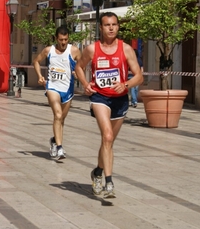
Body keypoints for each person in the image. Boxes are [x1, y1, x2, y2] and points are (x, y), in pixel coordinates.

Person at [75, 12, 143, 198]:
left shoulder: (126, 49)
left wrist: (126, 84)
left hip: (120, 99)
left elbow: (139, 76)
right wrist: (85, 84)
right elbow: (79, 67)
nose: (111, 28)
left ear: (118, 27)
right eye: (107, 25)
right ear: (101, 27)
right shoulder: (92, 49)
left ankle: (97, 171)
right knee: (107, 134)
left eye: (114, 24)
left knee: (109, 141)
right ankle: (109, 181)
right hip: (100, 98)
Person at [33, 26, 81, 160]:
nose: (63, 42)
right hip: (52, 87)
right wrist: (39, 76)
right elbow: (36, 61)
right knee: (58, 115)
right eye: (61, 40)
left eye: (65, 39)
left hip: (68, 89)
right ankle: (60, 148)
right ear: (56, 38)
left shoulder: (74, 50)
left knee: (61, 119)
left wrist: (77, 72)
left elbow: (82, 65)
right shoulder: (49, 50)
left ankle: (55, 141)